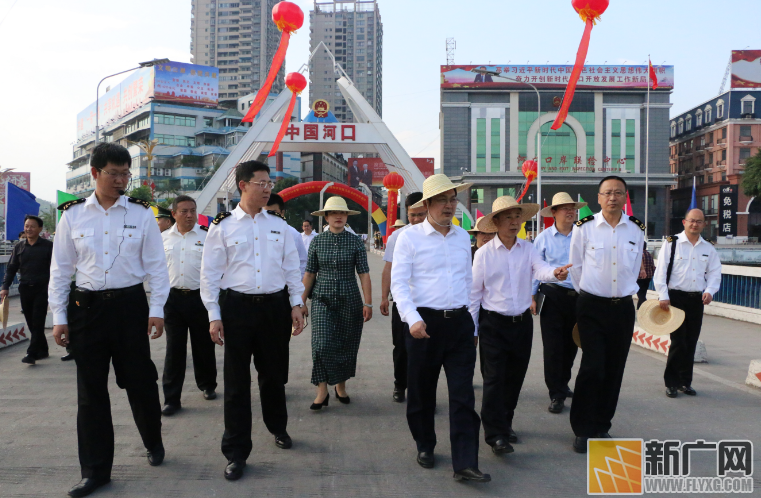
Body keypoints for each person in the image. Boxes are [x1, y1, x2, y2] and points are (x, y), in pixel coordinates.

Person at [49, 142, 170, 497]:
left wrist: (157, 309)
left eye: (125, 174)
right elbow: (61, 271)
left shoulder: (141, 214)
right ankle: (96, 470)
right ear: (94, 174)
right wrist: (59, 317)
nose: (121, 180)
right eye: (114, 173)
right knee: (90, 394)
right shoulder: (72, 215)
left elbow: (156, 269)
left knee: (140, 382)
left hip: (130, 307)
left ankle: (153, 441)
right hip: (86, 311)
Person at [200, 160, 305, 482]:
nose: (268, 188)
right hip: (237, 309)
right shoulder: (222, 227)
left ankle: (278, 427)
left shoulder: (280, 227)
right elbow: (210, 275)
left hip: (274, 309)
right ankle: (235, 452)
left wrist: (297, 303)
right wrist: (214, 316)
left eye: (269, 182)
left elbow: (291, 269)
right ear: (243, 185)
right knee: (236, 383)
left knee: (273, 377)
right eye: (261, 183)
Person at [391, 174, 490, 483]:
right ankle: (425, 443)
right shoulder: (409, 237)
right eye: (443, 200)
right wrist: (412, 318)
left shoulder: (463, 237)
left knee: (463, 396)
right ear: (428, 204)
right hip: (424, 324)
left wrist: (472, 323)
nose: (449, 205)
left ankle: (465, 462)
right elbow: (399, 285)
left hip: (459, 324)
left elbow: (468, 283)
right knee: (421, 393)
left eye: (452, 199)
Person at [471, 196, 571, 455]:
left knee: (514, 378)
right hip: (493, 323)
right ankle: (495, 435)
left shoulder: (528, 249)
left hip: (521, 323)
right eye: (508, 217)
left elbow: (541, 270)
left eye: (517, 217)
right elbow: (474, 295)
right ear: (496, 222)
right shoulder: (483, 254)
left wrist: (556, 273)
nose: (514, 222)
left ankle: (506, 423)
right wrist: (473, 330)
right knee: (494, 380)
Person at [568, 176, 645, 454]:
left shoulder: (636, 230)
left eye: (618, 193)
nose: (612, 197)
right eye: (607, 193)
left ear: (625, 197)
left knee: (614, 368)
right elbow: (576, 268)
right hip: (591, 306)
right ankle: (582, 429)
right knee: (593, 366)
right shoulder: (584, 228)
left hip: (623, 307)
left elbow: (635, 267)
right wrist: (589, 294)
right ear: (598, 198)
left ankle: (602, 424)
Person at [301, 196, 372, 410]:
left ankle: (341, 386)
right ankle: (321, 391)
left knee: (346, 345)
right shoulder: (317, 241)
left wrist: (367, 304)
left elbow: (364, 274)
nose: (338, 216)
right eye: (333, 213)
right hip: (322, 300)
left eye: (342, 213)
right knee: (321, 345)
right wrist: (300, 302)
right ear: (326, 217)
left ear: (347, 217)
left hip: (350, 300)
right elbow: (310, 273)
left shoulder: (355, 242)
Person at [653, 208, 721, 398]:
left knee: (690, 342)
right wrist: (663, 295)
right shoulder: (672, 243)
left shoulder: (708, 248)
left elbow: (715, 272)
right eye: (691, 221)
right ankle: (671, 383)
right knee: (678, 342)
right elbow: (661, 271)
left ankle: (685, 382)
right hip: (675, 299)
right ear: (684, 222)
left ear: (704, 224)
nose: (694, 224)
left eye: (699, 221)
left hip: (696, 300)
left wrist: (709, 291)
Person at [160, 195, 218, 416]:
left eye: (192, 210)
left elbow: (214, 271)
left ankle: (208, 384)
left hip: (200, 299)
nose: (189, 215)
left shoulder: (207, 237)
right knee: (174, 350)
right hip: (172, 300)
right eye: (183, 211)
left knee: (203, 345)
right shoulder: (163, 239)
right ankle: (172, 398)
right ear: (173, 214)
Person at [532, 192, 588, 415]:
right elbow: (535, 269)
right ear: (553, 212)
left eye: (572, 208)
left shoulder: (583, 236)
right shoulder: (543, 238)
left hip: (578, 297)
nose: (570, 211)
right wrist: (531, 297)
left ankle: (563, 383)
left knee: (572, 344)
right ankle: (555, 392)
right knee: (554, 347)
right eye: (564, 208)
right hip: (552, 296)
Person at [380, 192, 426, 402]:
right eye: (412, 215)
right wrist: (383, 297)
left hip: (426, 303)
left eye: (421, 214)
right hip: (402, 302)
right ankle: (400, 385)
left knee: (425, 351)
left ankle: (422, 393)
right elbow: (388, 269)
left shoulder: (436, 235)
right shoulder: (397, 237)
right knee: (401, 347)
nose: (416, 219)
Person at [1, 214, 54, 365]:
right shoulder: (19, 247)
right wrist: (5, 287)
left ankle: (32, 353)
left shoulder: (48, 246)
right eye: (26, 226)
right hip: (25, 288)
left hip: (42, 288)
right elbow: (11, 268)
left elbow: (56, 269)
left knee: (38, 320)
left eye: (32, 226)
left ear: (40, 229)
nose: (28, 229)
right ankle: (43, 349)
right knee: (31, 322)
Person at [266, 193, 308, 278]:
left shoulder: (293, 235)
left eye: (274, 213)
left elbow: (302, 263)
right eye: (266, 213)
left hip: (285, 286)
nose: (269, 216)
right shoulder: (255, 232)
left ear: (282, 213)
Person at [637, 241, 655, 309]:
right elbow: (652, 266)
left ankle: (646, 307)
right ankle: (639, 308)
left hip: (640, 277)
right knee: (643, 293)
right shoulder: (649, 254)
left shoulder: (639, 255)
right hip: (649, 276)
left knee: (640, 294)